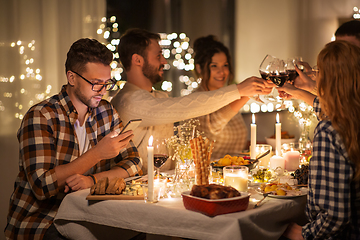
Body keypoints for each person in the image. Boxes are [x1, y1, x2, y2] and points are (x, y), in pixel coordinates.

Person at [4, 38, 142, 240]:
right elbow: (42, 186)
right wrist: (98, 154)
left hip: (89, 211)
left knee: (139, 231)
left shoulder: (106, 111)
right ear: (72, 77)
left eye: (107, 83)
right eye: (96, 83)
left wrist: (91, 181)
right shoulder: (41, 116)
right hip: (44, 218)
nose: (103, 90)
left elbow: (133, 163)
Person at [111, 28, 273, 173]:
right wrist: (239, 90)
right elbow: (186, 106)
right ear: (137, 60)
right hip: (140, 193)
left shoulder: (157, 96)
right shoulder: (129, 101)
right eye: (158, 56)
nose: (164, 62)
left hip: (163, 185)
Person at [282, 40, 360, 239]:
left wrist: (305, 234)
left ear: (328, 80)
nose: (314, 75)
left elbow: (336, 216)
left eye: (319, 71)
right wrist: (299, 93)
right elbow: (332, 111)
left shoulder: (328, 131)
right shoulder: (352, 117)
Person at [191, 35, 249, 159]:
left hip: (232, 170)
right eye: (214, 66)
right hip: (206, 173)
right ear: (199, 68)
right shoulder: (195, 100)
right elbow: (214, 126)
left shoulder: (229, 97)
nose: (222, 72)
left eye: (225, 65)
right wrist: (246, 94)